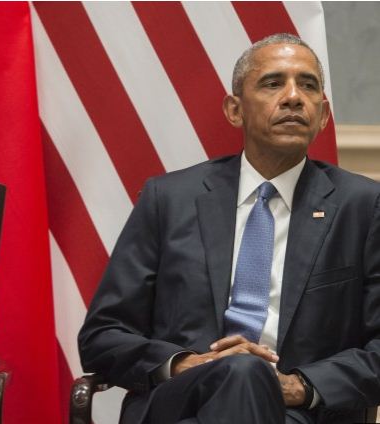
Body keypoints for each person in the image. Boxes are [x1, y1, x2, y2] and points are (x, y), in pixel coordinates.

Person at [78, 33, 380, 424]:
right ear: (234, 110)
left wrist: (300, 386)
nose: (293, 97)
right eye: (273, 83)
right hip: (180, 404)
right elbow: (103, 335)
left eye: (308, 85)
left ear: (323, 116)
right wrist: (187, 364)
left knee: (246, 374)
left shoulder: (362, 205)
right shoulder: (169, 198)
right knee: (240, 372)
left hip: (297, 412)